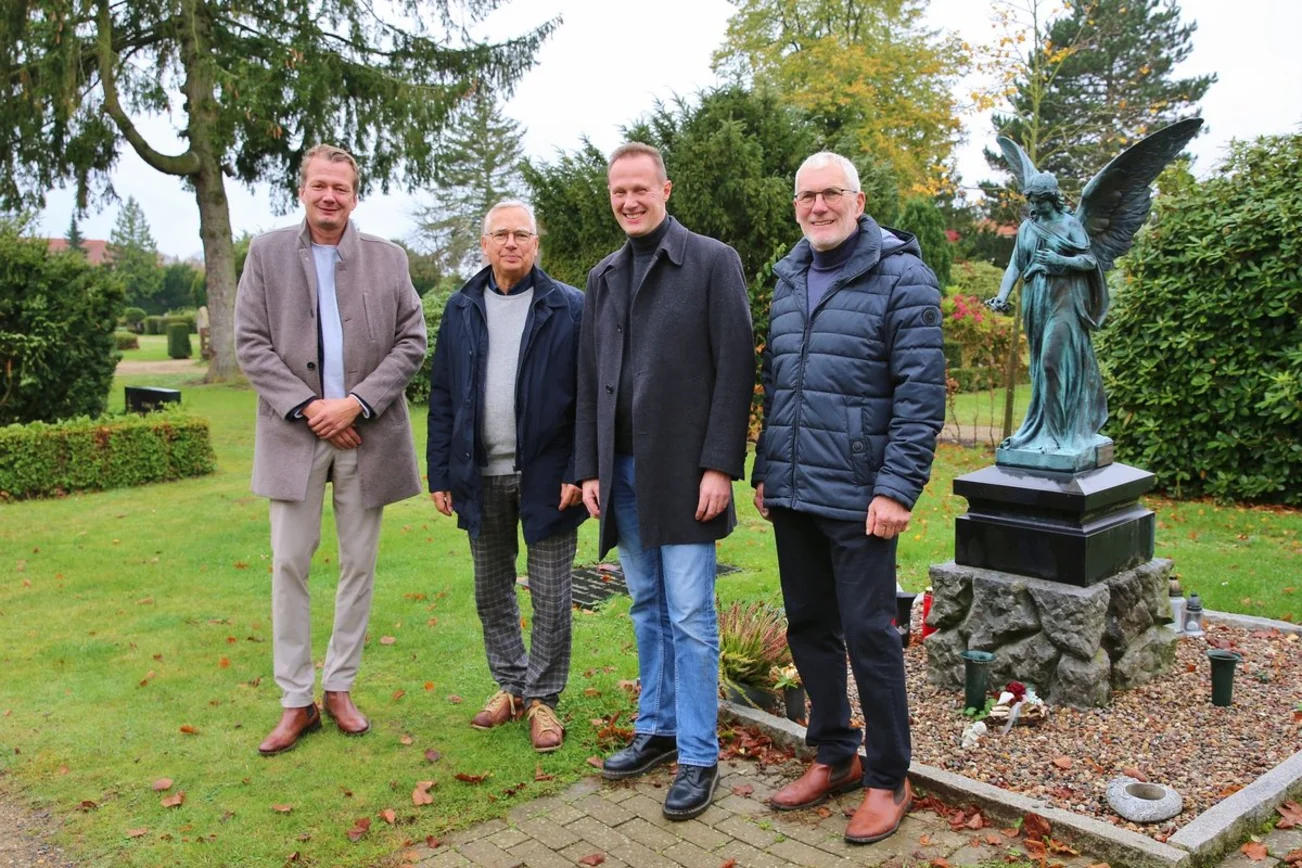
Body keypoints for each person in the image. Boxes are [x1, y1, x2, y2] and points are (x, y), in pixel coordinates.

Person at [751, 151, 945, 844]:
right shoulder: (789, 276)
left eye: (831, 193)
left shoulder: (903, 277)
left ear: (858, 202)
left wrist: (896, 488)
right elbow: (780, 386)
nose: (819, 206)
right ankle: (835, 754)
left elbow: (921, 396)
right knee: (808, 627)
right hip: (795, 489)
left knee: (870, 636)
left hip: (862, 497)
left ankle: (889, 778)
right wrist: (767, 468)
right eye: (807, 196)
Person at [575, 143, 754, 820]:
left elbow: (735, 368)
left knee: (690, 615)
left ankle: (700, 755)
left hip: (685, 472)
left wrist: (720, 466)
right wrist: (588, 467)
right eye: (618, 191)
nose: (629, 201)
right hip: (620, 472)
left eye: (640, 189)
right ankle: (657, 729)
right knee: (646, 604)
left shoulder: (711, 262)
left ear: (665, 189)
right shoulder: (604, 276)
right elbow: (590, 378)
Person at [235, 144, 427, 756]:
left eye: (340, 188)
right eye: (320, 185)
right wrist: (312, 408)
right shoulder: (266, 254)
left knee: (358, 566)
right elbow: (251, 343)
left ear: (354, 195)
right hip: (293, 434)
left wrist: (357, 404)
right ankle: (296, 699)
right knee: (290, 563)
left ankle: (340, 687)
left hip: (366, 436)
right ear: (302, 190)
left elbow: (412, 340)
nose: (329, 196)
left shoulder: (389, 259)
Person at [426, 200, 586, 753]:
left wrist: (578, 468)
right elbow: (443, 395)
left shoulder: (568, 307)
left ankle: (543, 697)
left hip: (548, 477)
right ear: (485, 244)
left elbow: (588, 398)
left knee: (551, 593)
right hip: (479, 474)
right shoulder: (461, 307)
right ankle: (511, 685)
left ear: (536, 243)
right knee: (491, 590)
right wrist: (440, 472)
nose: (511, 243)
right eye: (501, 234)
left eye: (522, 234)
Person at [986, 174, 1108, 458]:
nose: (1034, 207)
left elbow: (1089, 260)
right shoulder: (1027, 228)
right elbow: (1015, 265)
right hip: (1036, 302)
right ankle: (1042, 430)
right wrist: (1002, 296)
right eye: (1031, 201)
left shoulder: (1070, 225)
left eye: (1039, 201)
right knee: (1040, 369)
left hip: (1064, 302)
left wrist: (1060, 261)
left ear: (1052, 198)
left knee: (1051, 364)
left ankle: (1055, 434)